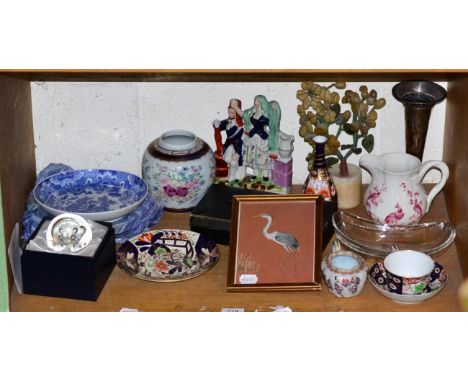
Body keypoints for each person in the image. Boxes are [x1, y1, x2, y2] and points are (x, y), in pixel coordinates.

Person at [231, 95, 281, 181]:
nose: (256, 103)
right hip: (252, 137)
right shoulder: (252, 113)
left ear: (262, 103)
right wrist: (235, 107)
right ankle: (255, 173)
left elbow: (272, 125)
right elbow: (243, 115)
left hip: (262, 138)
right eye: (255, 101)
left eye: (258, 101)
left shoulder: (266, 116)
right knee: (253, 156)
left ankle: (265, 175)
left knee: (263, 157)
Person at [212, 99, 245, 182]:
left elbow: (242, 140)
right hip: (229, 145)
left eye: (232, 113)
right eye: (229, 112)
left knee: (234, 162)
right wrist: (216, 123)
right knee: (227, 159)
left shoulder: (241, 126)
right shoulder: (228, 122)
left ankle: (233, 177)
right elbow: (219, 125)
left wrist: (237, 152)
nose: (230, 114)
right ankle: (232, 173)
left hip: (238, 146)